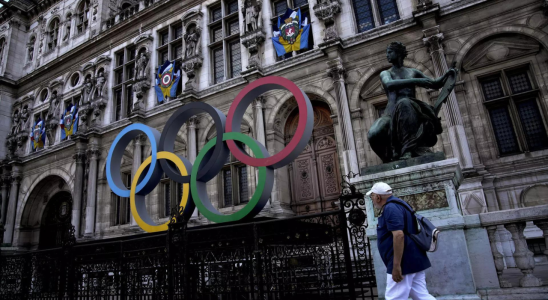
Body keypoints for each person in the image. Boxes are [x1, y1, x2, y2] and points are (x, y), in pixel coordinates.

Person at [367, 42, 456, 162]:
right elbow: (389, 84)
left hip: (410, 108)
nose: (387, 55)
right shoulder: (386, 73)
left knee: (404, 102)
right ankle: (388, 159)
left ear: (398, 53)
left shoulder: (412, 72)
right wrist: (415, 80)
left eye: (390, 52)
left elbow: (434, 84)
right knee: (374, 133)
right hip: (391, 112)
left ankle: (408, 150)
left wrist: (447, 74)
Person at [367, 182, 436, 300]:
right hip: (414, 259)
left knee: (394, 298)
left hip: (404, 262)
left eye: (372, 196)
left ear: (378, 197)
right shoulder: (400, 204)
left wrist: (396, 265)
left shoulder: (390, 208)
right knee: (422, 296)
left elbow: (399, 235)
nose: (372, 199)